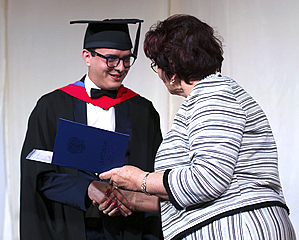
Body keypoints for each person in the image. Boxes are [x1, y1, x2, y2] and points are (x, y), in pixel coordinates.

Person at [99, 14, 297, 240]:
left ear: (171, 69)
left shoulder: (213, 96)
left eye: (156, 65)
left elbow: (208, 179)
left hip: (237, 228)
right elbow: (196, 192)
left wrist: (140, 179)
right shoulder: (208, 97)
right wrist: (131, 199)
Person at [20, 18, 163, 240]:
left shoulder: (143, 112)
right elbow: (38, 176)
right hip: (71, 227)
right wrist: (86, 188)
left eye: (127, 59)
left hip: (128, 230)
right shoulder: (52, 107)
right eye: (112, 59)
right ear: (87, 56)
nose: (121, 68)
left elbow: (154, 175)